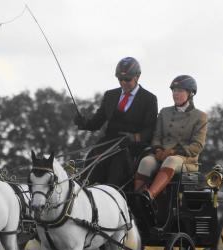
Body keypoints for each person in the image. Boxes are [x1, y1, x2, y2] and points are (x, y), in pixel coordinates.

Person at [74, 57, 158, 186]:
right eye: (120, 79)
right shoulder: (110, 95)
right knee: (92, 158)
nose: (123, 83)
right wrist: (83, 123)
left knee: (117, 161)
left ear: (137, 76)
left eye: (127, 79)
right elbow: (97, 122)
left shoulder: (149, 99)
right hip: (109, 142)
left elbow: (150, 129)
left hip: (131, 145)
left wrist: (134, 138)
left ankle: (112, 189)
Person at [134, 75, 208, 215]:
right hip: (162, 154)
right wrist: (157, 149)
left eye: (180, 91)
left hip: (185, 159)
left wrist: (174, 151)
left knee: (171, 160)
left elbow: (197, 146)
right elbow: (156, 136)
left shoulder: (200, 116)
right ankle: (138, 200)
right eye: (174, 90)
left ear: (190, 93)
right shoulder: (164, 112)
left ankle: (149, 195)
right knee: (146, 161)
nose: (175, 94)